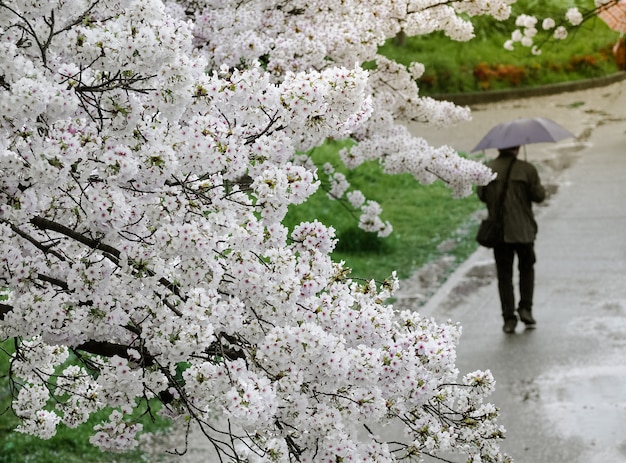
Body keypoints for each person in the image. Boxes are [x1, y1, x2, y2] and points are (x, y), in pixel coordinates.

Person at [477, 146, 546, 334]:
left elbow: (482, 196)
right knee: (526, 269)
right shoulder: (527, 169)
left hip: (500, 234)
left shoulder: (487, 169)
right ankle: (526, 309)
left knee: (504, 276)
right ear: (517, 147)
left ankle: (508, 318)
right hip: (524, 232)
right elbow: (539, 196)